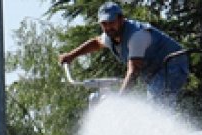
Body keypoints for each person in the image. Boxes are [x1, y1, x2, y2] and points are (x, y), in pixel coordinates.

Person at [57, 2, 189, 106]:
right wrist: (71, 56)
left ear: (121, 20)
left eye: (111, 22)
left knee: (156, 105)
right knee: (152, 102)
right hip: (154, 72)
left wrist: (119, 102)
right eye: (104, 24)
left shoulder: (136, 36)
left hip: (173, 64)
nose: (108, 27)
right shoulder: (109, 36)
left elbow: (133, 71)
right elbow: (96, 43)